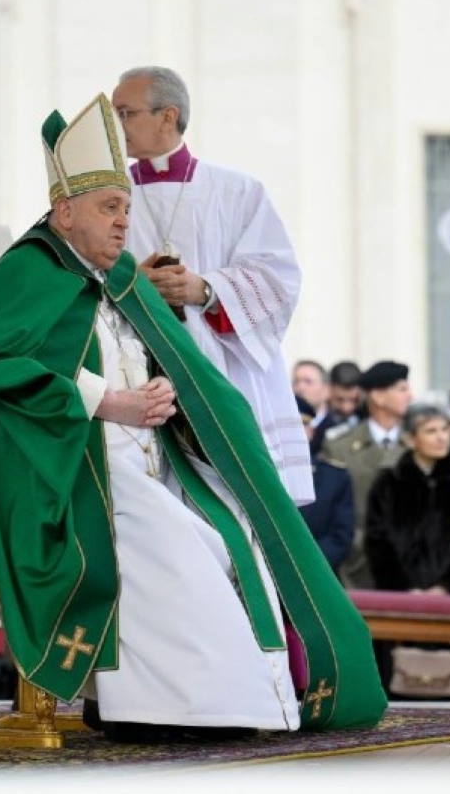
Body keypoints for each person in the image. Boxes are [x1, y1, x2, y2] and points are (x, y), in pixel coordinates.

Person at [0, 94, 385, 740]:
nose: (125, 221)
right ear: (64, 212)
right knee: (172, 538)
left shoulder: (114, 279)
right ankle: (184, 709)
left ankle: (202, 701)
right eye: (109, 208)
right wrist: (112, 402)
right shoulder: (31, 270)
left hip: (145, 455)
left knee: (227, 530)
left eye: (127, 207)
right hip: (67, 457)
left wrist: (169, 401)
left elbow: (175, 370)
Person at [113, 66, 312, 505]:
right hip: (136, 363)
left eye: (127, 113)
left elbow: (278, 278)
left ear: (168, 116)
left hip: (219, 363)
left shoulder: (237, 190)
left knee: (232, 501)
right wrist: (133, 282)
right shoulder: (108, 194)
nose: (117, 126)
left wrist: (204, 289)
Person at [322, 360, 413, 588]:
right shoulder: (339, 447)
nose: (410, 396)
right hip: (355, 569)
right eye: (402, 389)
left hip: (410, 569)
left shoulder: (418, 443)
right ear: (378, 397)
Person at [364, 403, 450, 596]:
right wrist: (404, 588)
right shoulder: (388, 484)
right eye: (431, 431)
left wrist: (447, 586)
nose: (441, 437)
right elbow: (378, 543)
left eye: (445, 430)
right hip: (401, 597)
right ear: (411, 440)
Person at [294, 397, 354, 572]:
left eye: (300, 425)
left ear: (311, 431)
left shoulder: (334, 477)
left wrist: (307, 564)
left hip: (319, 574)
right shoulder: (259, 475)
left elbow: (341, 536)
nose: (293, 434)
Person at [292, 359, 330, 425]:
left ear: (326, 390)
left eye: (308, 381)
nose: (301, 387)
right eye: (296, 381)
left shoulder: (338, 429)